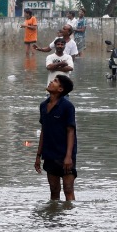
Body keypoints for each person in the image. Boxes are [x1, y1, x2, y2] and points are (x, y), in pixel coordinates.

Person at [36, 73, 78, 201]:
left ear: (60, 89)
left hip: (65, 153)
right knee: (54, 190)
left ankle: (70, 217)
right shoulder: (43, 106)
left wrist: (68, 157)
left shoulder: (67, 107)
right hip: (49, 153)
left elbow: (71, 131)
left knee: (68, 189)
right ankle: (54, 217)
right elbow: (44, 131)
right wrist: (38, 156)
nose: (51, 82)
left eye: (55, 81)